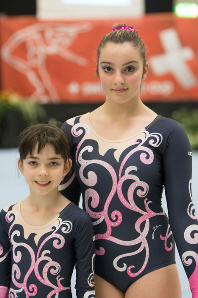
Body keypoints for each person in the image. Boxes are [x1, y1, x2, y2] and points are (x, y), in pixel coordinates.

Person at [59, 24, 198, 298]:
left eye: (130, 69)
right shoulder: (73, 132)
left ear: (146, 70)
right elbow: (64, 215)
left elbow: (183, 214)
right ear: (96, 70)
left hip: (153, 266)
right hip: (96, 272)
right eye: (108, 69)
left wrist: (196, 284)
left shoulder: (168, 134)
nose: (118, 79)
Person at [0, 123, 95, 298]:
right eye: (33, 163)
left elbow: (85, 284)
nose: (43, 172)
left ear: (66, 167)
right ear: (21, 165)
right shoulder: (8, 217)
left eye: (53, 163)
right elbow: (2, 279)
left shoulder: (78, 221)